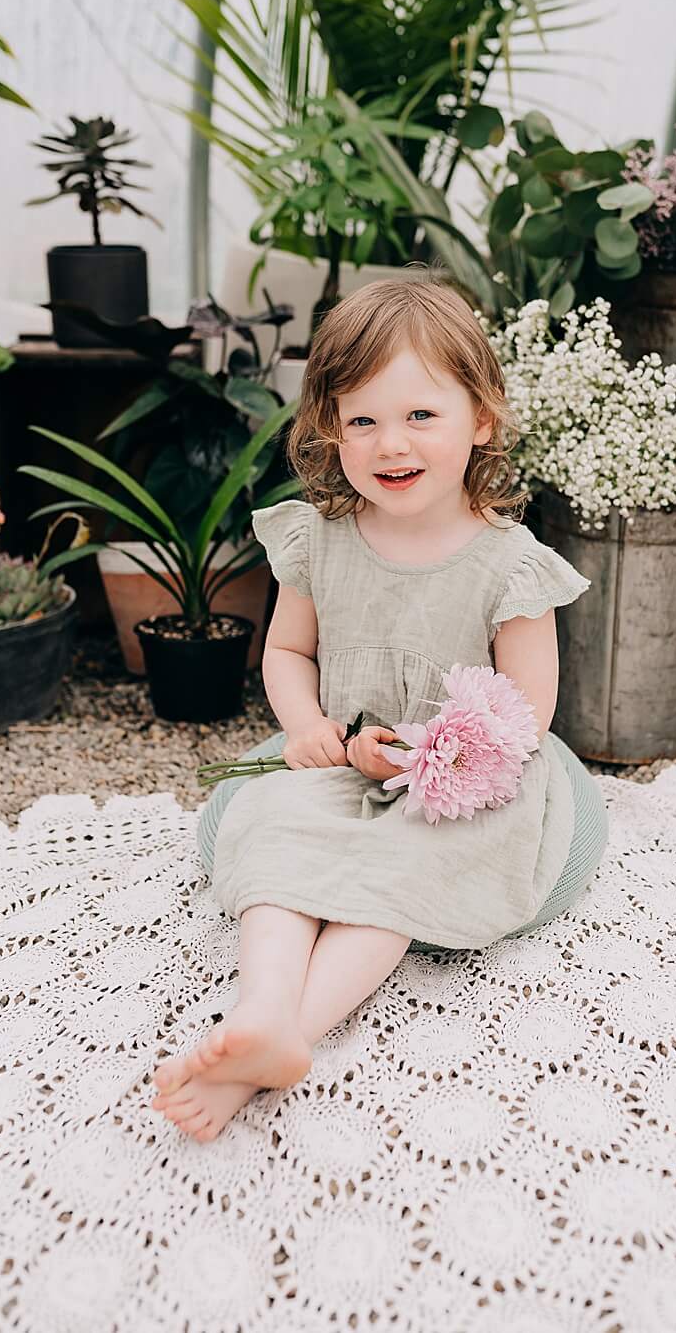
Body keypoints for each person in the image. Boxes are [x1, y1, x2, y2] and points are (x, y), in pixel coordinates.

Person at [152, 278, 595, 1143]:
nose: (390, 444)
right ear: (329, 428)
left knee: (395, 869)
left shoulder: (512, 565)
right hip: (341, 757)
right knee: (277, 830)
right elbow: (287, 652)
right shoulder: (321, 537)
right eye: (362, 421)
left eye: (421, 416)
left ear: (482, 420)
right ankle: (265, 1006)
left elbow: (526, 713)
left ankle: (288, 1034)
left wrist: (429, 757)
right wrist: (310, 727)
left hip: (460, 781)